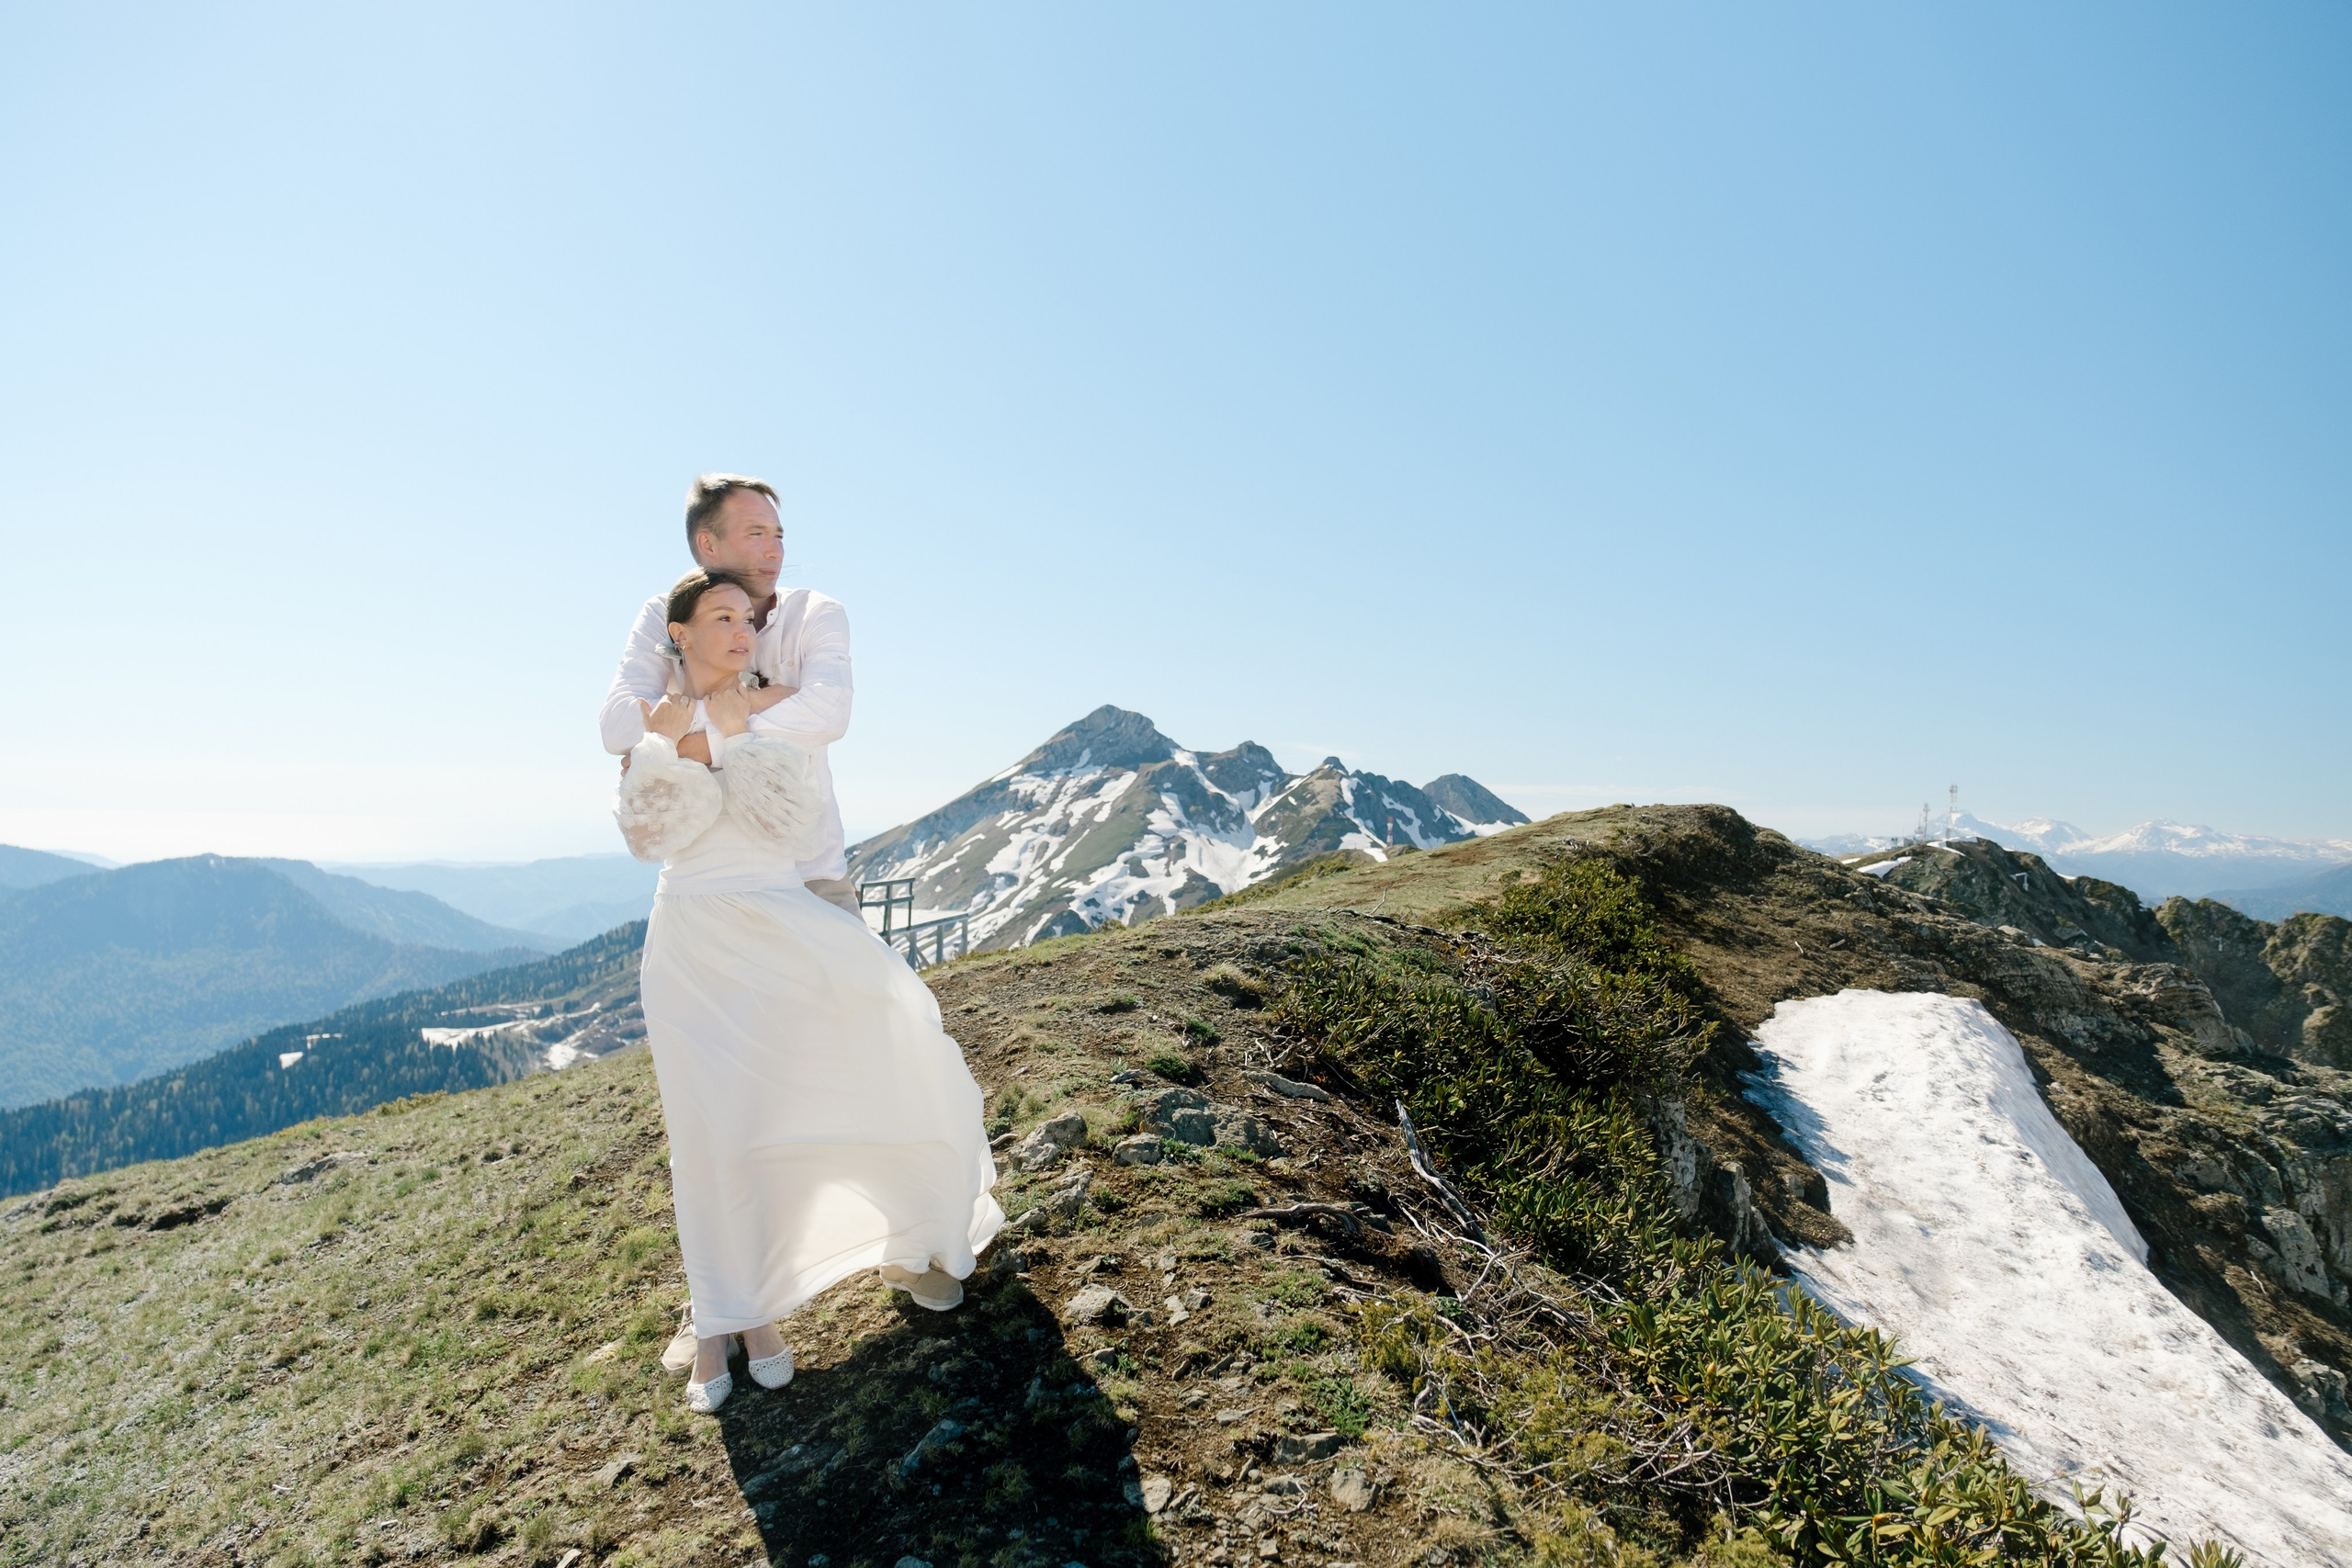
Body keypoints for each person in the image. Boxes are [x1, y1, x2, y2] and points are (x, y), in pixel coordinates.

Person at [612, 566, 1003, 1415]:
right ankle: (731, 1320)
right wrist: (687, 743)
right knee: (708, 1134)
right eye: (720, 616)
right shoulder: (652, 717)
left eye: (745, 617)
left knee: (856, 1061)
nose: (740, 629)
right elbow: (650, 834)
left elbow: (788, 824)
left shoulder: (771, 703)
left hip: (780, 924)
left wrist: (724, 739)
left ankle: (792, 1288)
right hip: (689, 940)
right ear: (678, 634)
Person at [601, 474, 859, 916]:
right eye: (755, 534)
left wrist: (691, 745)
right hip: (707, 886)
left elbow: (828, 714)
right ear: (709, 545)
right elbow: (618, 726)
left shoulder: (816, 613)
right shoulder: (663, 614)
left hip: (809, 875)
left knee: (855, 985)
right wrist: (761, 702)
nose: (775, 550)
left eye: (778, 535)